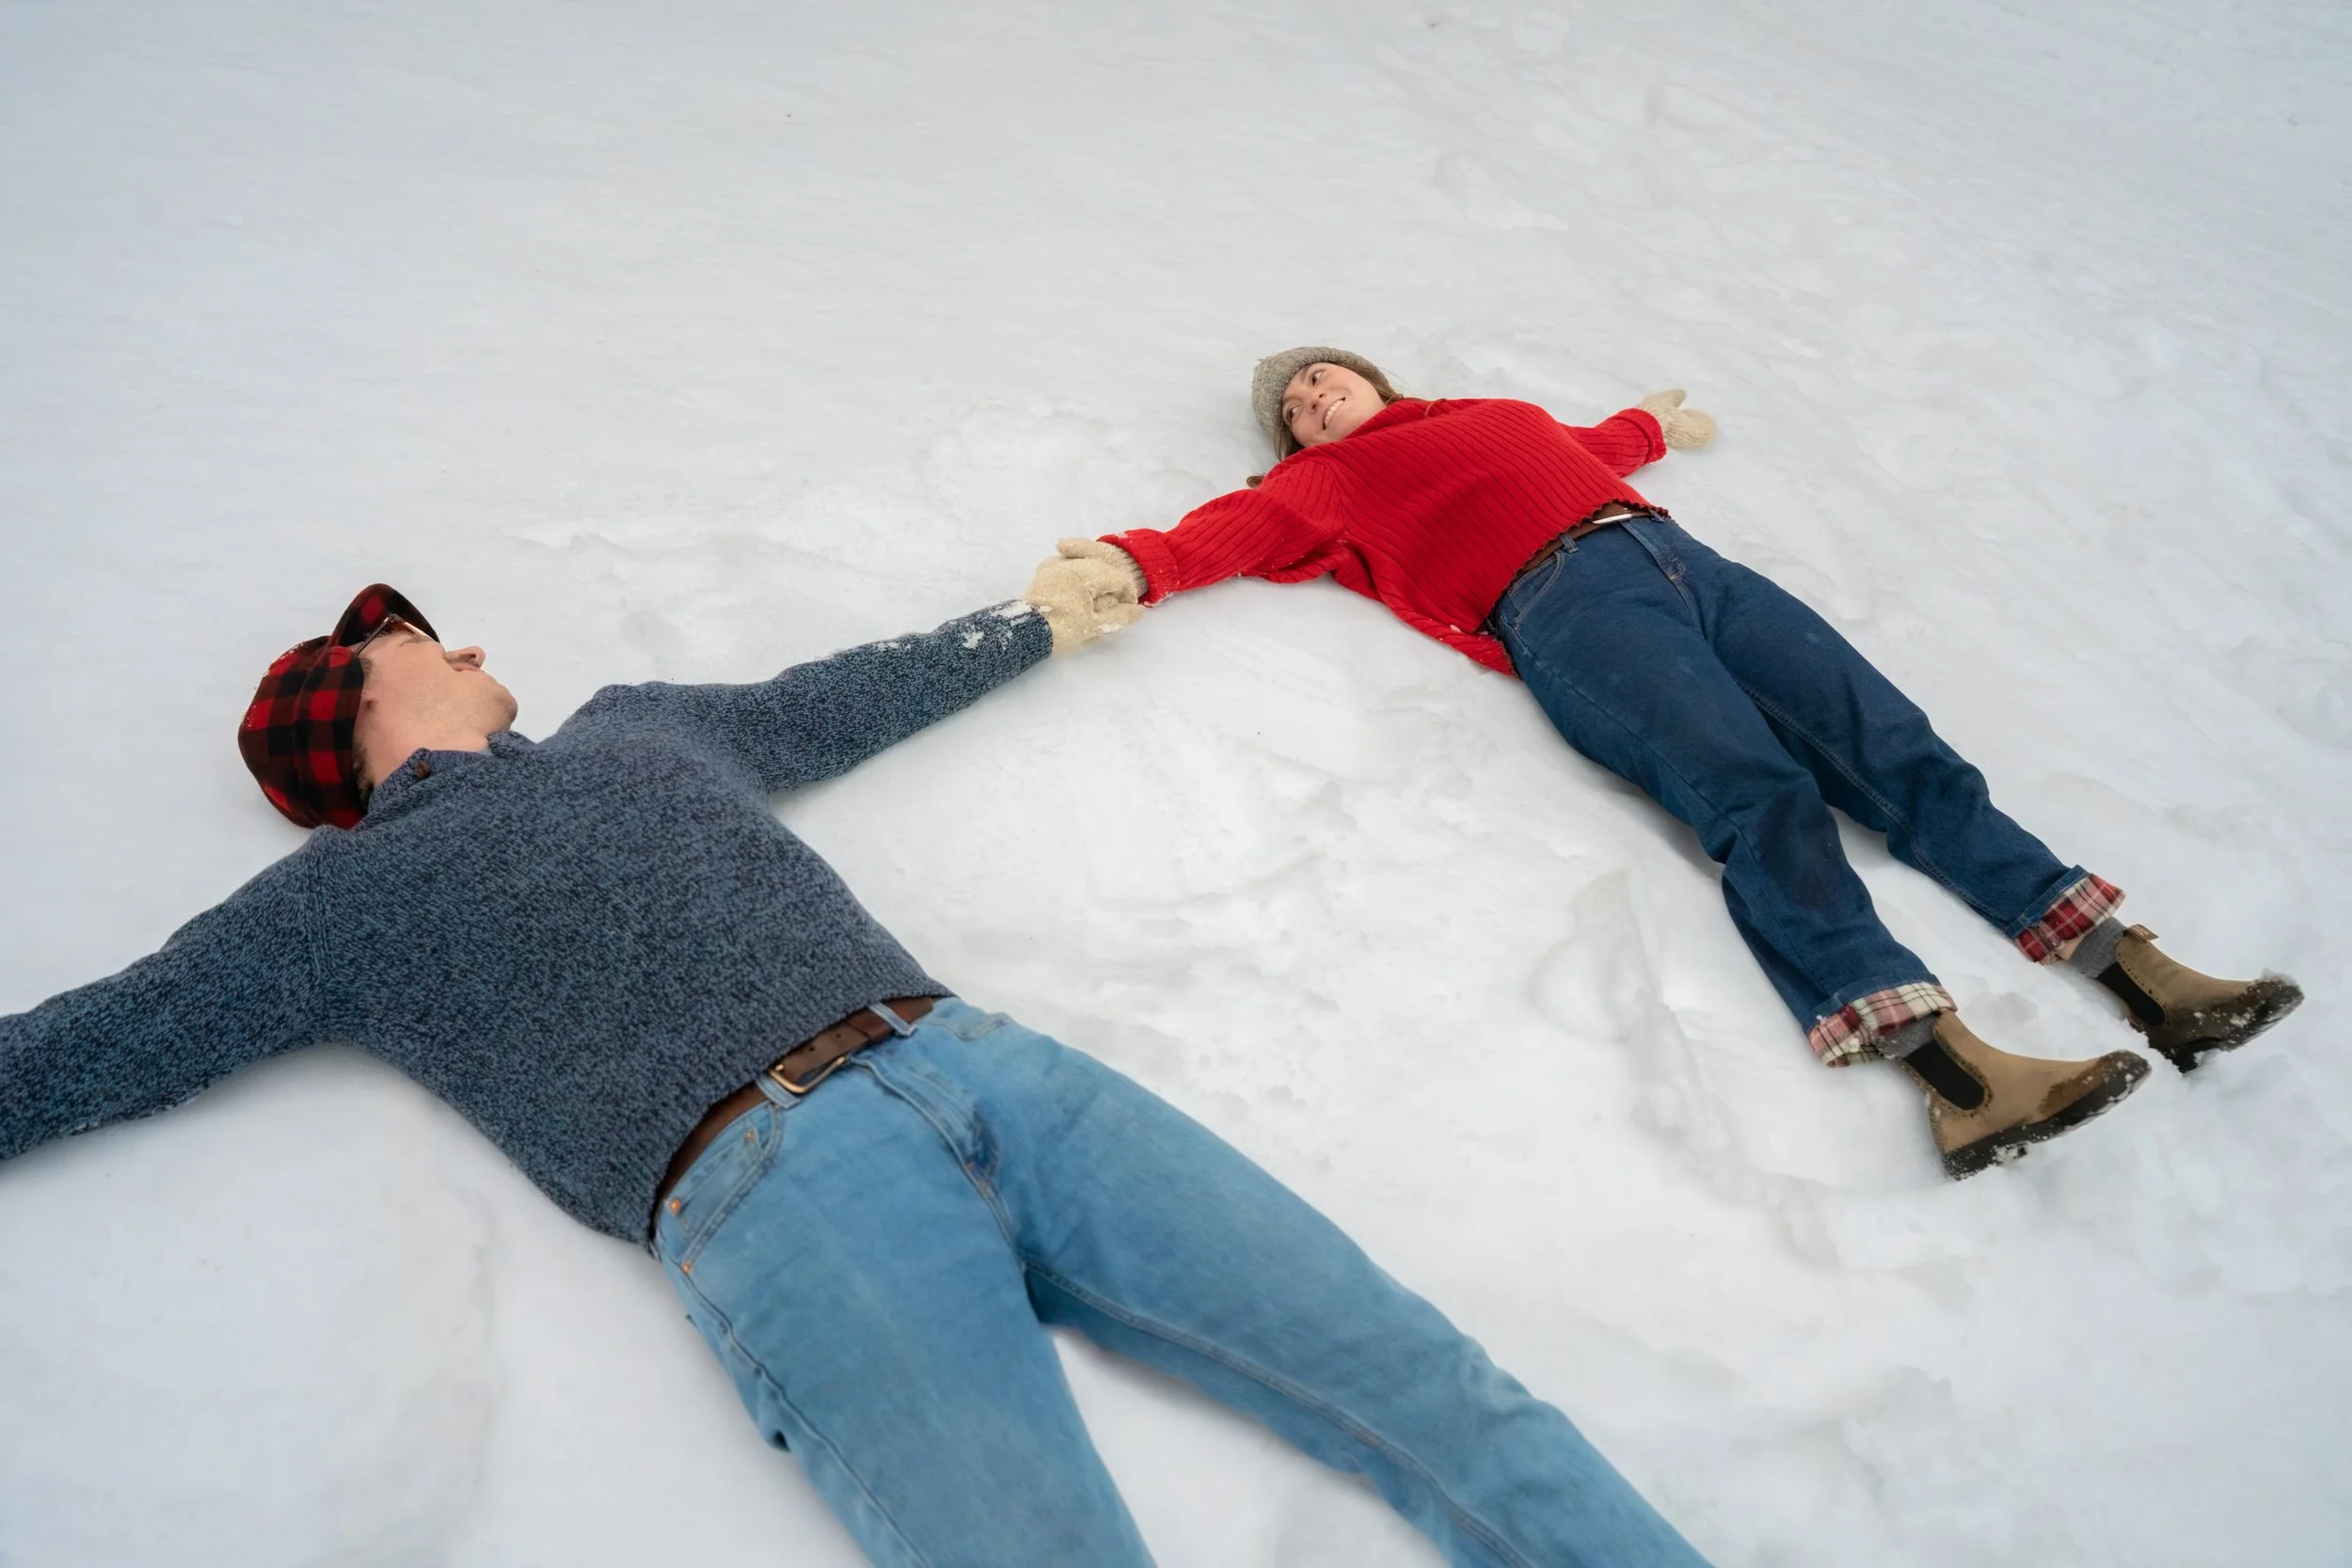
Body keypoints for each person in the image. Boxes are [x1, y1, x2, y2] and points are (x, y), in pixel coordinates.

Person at [0, 581, 1712, 1568]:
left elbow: (839, 698)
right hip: (768, 1190)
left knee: (1429, 1379)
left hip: (994, 1069)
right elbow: (99, 1039)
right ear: (354, 704)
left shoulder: (636, 727)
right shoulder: (336, 902)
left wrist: (1031, 618)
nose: (458, 637)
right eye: (416, 638)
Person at [1025, 347, 2304, 1179]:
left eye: (1321, 378)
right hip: (1568, 609)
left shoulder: (1483, 415)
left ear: (1371, 372)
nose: (1311, 398)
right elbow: (1232, 528)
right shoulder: (1333, 483)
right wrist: (1128, 566)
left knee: (1898, 750)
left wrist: (1650, 421)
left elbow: (1588, 441)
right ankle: (1958, 1075)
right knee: (1760, 795)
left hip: (1690, 563)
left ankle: (2137, 969)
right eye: (1293, 406)